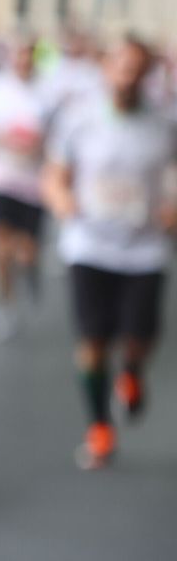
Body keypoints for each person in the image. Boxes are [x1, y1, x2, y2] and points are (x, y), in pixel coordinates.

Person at [42, 35, 177, 470]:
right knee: (93, 342)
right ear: (107, 68)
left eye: (138, 69)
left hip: (144, 249)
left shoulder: (164, 124)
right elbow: (55, 175)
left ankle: (132, 373)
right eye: (121, 66)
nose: (128, 76)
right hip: (90, 245)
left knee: (139, 340)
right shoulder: (79, 120)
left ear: (148, 75)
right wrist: (62, 199)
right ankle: (99, 426)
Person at [0, 34, 54, 343]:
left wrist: (37, 145)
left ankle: (30, 270)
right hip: (0, 178)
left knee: (27, 251)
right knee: (0, 247)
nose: (23, 61)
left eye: (28, 55)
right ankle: (7, 306)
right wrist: (6, 140)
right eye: (19, 54)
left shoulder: (47, 92)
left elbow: (57, 140)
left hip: (33, 182)